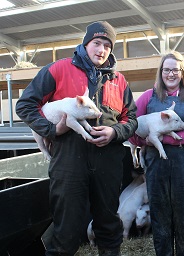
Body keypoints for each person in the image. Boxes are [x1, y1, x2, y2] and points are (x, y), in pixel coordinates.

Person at [15, 21, 138, 256]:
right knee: (66, 230)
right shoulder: (58, 69)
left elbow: (131, 119)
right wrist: (52, 130)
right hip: (69, 161)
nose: (101, 50)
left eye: (107, 46)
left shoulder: (118, 80)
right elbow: (25, 105)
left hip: (107, 161)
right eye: (96, 43)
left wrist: (115, 132)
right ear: (86, 43)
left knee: (109, 225)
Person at [128, 51, 184, 256]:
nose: (170, 74)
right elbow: (132, 127)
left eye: (175, 70)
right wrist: (142, 140)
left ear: (182, 72)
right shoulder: (148, 96)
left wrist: (164, 139)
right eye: (166, 70)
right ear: (160, 72)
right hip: (156, 165)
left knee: (182, 217)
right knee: (160, 216)